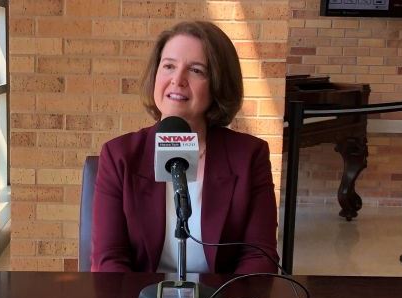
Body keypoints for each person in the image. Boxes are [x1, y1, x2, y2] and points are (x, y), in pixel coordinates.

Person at [91, 21, 279, 274]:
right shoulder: (119, 156)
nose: (177, 80)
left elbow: (259, 257)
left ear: (218, 85)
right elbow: (109, 259)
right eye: (169, 66)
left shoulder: (250, 156)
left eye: (196, 70)